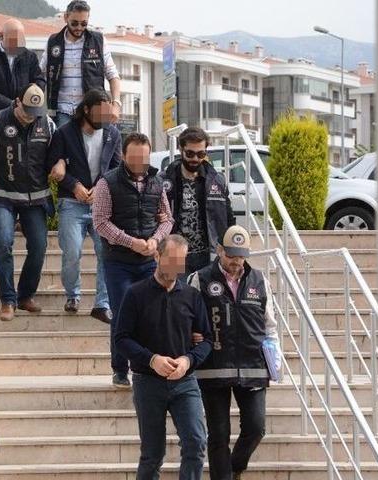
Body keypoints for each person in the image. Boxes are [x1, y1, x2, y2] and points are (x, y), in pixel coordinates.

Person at [115, 234, 212, 480]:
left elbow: (208, 340)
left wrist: (188, 360)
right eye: (171, 260)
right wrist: (151, 359)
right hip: (148, 382)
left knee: (196, 443)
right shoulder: (135, 294)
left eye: (180, 261)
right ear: (157, 256)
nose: (175, 267)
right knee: (152, 453)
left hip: (184, 381)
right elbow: (121, 339)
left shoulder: (192, 296)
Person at [188, 225, 279, 480]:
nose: (236, 262)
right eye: (231, 256)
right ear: (219, 251)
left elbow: (269, 325)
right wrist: (191, 337)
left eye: (240, 257)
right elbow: (187, 317)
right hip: (212, 366)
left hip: (253, 366)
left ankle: (234, 468)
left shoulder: (260, 281)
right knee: (218, 434)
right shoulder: (200, 278)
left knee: (256, 427)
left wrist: (275, 362)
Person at [0, 83, 62, 322]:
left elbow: (60, 152)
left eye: (35, 114)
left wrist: (61, 163)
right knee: (3, 243)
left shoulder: (47, 124)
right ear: (18, 102)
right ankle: (8, 300)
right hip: (4, 196)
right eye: (27, 112)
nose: (31, 118)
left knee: (39, 246)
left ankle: (25, 295)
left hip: (36, 197)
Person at [92, 133, 173, 387]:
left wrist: (155, 240)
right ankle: (119, 368)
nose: (140, 162)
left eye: (144, 157)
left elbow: (167, 219)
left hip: (149, 260)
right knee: (122, 312)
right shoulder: (107, 183)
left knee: (152, 312)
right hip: (118, 261)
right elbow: (101, 223)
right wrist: (131, 242)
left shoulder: (157, 182)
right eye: (134, 157)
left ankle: (147, 365)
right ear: (124, 156)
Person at [47, 89, 121, 324]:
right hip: (71, 202)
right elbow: (54, 165)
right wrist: (75, 185)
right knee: (72, 252)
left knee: (106, 253)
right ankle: (73, 295)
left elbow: (117, 168)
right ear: (87, 110)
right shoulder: (64, 133)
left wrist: (101, 188)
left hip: (102, 204)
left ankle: (102, 304)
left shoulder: (113, 134)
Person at [160, 127, 235, 276]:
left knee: (207, 298)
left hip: (208, 255)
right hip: (175, 254)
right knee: (178, 298)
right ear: (180, 149)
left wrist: (230, 246)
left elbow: (228, 217)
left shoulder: (217, 180)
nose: (195, 159)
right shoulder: (164, 180)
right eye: (190, 153)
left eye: (201, 154)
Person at [40, 0, 122, 127]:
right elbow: (41, 75)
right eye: (74, 23)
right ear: (66, 17)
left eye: (84, 24)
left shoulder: (98, 41)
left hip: (92, 110)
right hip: (62, 111)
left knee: (94, 146)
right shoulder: (53, 42)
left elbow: (113, 75)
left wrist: (116, 104)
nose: (79, 28)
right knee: (66, 146)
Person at [0, 19, 45, 127]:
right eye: (13, 40)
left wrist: (26, 103)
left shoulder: (29, 56)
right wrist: (12, 105)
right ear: (1, 36)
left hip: (24, 117)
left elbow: (39, 82)